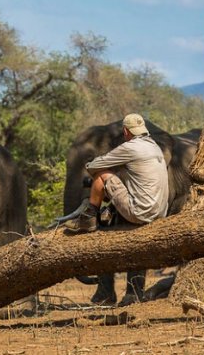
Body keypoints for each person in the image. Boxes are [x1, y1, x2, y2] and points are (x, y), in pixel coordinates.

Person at [65, 113, 169, 306]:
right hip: (158, 213)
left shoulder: (130, 147)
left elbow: (95, 165)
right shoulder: (153, 146)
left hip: (139, 211)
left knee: (101, 176)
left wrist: (91, 168)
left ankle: (88, 218)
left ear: (126, 131)